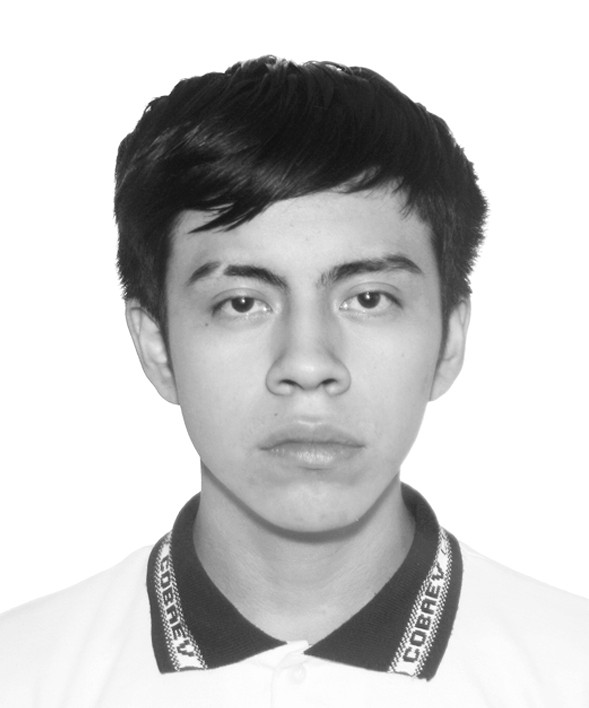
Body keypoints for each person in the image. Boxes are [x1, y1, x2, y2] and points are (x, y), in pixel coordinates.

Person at [1, 55, 587, 707]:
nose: (307, 364)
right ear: (157, 346)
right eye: (242, 303)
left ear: (449, 339)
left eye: (368, 299)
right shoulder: (21, 676)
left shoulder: (571, 673)